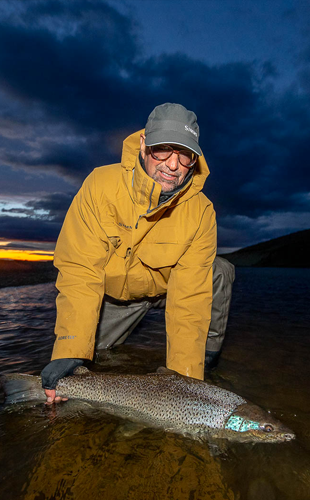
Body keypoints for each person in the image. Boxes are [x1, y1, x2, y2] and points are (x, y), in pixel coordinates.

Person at [41, 103, 235, 403]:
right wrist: (70, 349)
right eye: (163, 150)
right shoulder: (100, 186)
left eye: (185, 155)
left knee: (219, 271)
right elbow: (81, 271)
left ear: (194, 160)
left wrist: (186, 381)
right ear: (144, 145)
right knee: (87, 360)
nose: (173, 165)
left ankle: (207, 358)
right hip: (112, 297)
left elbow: (189, 301)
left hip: (163, 290)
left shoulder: (202, 211)